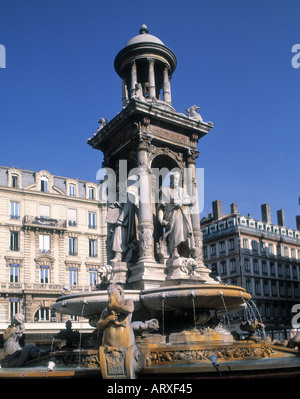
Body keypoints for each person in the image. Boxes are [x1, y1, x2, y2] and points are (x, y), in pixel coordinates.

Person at [158, 171, 195, 258]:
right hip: (171, 215)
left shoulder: (182, 191)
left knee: (183, 233)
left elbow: (190, 201)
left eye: (177, 179)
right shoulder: (165, 191)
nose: (176, 181)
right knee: (175, 232)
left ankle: (183, 251)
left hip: (183, 215)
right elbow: (161, 207)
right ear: (170, 179)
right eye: (174, 179)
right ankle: (174, 250)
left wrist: (181, 202)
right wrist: (160, 220)